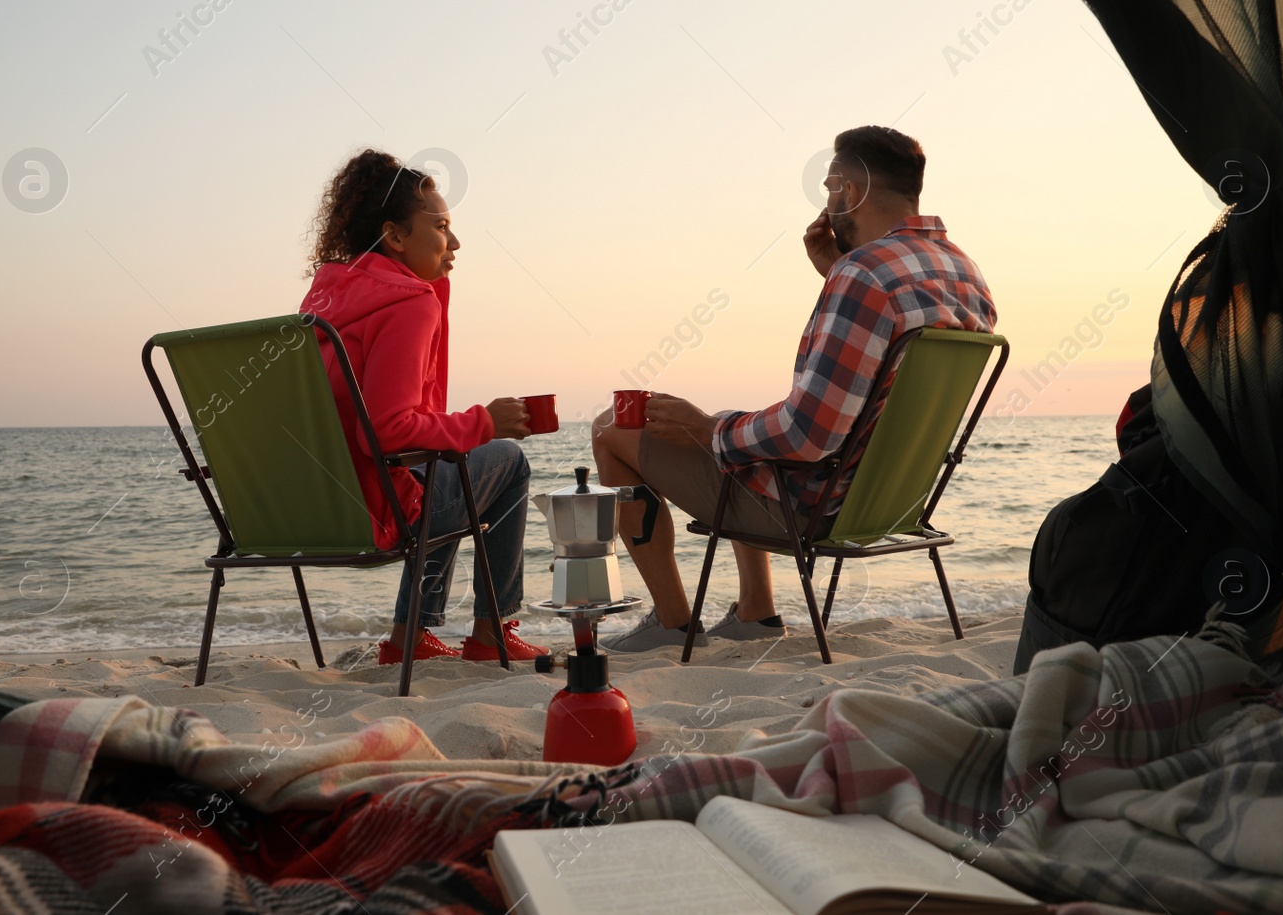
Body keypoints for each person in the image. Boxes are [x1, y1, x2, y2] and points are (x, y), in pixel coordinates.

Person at [592, 126, 997, 651]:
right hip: (895, 503)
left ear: (850, 192)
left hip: (813, 509)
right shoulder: (966, 274)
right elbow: (883, 374)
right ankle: (755, 613)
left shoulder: (864, 275)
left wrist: (706, 427)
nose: (828, 201)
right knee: (739, 426)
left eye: (831, 188)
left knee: (612, 430)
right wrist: (834, 274)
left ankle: (672, 622)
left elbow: (807, 437)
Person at [301, 148, 547, 665]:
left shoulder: (324, 302)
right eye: (440, 226)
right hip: (372, 513)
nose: (454, 242)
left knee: (446, 467)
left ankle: (411, 635)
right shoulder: (410, 301)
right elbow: (391, 429)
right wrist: (483, 422)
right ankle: (491, 632)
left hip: (303, 512)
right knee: (507, 461)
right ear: (395, 236)